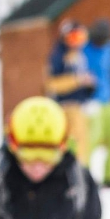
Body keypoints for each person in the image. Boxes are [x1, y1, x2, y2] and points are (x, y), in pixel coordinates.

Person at [83, 18, 110, 187]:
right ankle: (85, 176)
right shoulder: (85, 49)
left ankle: (109, 176)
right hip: (93, 102)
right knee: (91, 140)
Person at [45, 20, 96, 165]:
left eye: (81, 38)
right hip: (65, 107)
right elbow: (52, 84)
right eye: (74, 38)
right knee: (69, 146)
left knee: (83, 145)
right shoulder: (59, 56)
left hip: (80, 106)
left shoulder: (80, 55)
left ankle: (82, 175)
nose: (77, 42)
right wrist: (77, 81)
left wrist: (89, 87)